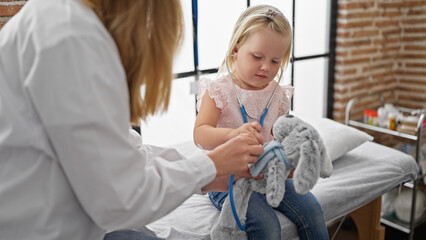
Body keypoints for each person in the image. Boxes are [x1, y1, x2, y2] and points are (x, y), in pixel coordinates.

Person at [0, 0, 264, 240]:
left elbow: (116, 154)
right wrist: (209, 165)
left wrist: (208, 174)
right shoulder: (70, 40)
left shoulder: (66, 24)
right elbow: (117, 199)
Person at [194, 5, 329, 240]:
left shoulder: (278, 94)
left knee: (313, 210)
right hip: (229, 177)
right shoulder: (218, 91)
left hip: (268, 175)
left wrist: (288, 159)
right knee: (267, 225)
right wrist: (231, 135)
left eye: (276, 61)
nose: (266, 67)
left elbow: (279, 136)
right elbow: (200, 134)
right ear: (236, 50)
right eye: (257, 57)